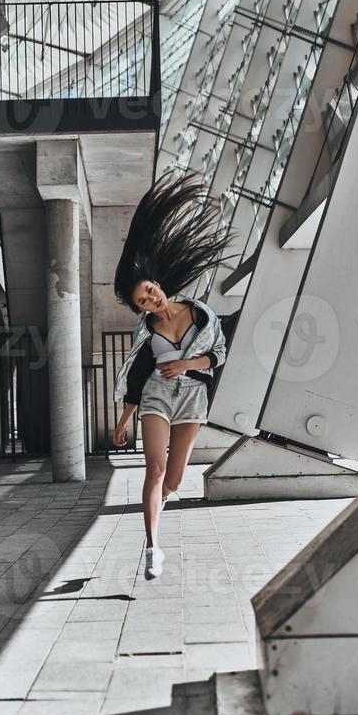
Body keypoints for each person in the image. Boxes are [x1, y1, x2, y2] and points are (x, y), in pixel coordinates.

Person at [111, 171, 237, 581]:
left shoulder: (201, 314)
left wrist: (187, 365)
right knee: (156, 469)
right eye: (142, 300)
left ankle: (156, 513)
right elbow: (136, 375)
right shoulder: (145, 331)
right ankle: (152, 548)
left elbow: (218, 355)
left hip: (192, 400)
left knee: (177, 478)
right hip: (156, 397)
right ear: (140, 308)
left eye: (149, 289)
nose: (150, 298)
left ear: (157, 283)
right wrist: (124, 420)